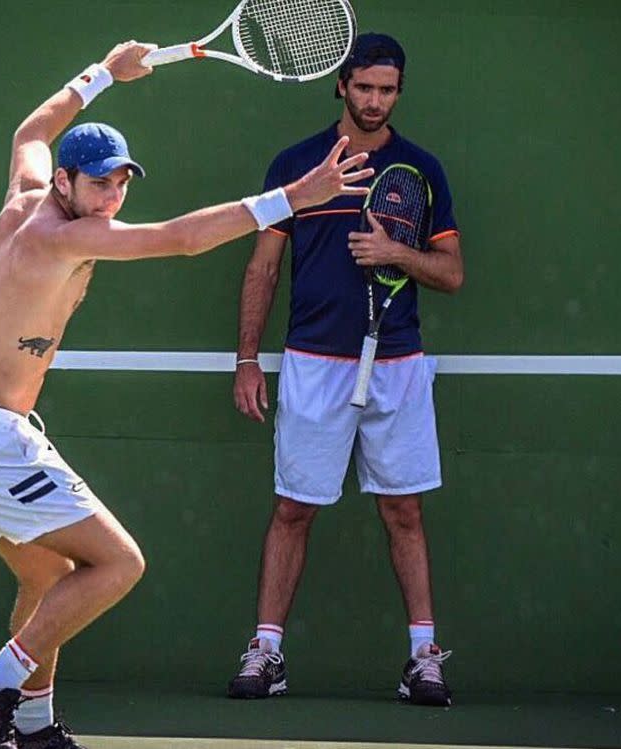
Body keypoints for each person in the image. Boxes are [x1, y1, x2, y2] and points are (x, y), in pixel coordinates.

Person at [0, 40, 373, 749]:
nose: (112, 197)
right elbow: (183, 238)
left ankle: (32, 728)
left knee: (53, 575)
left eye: (122, 182)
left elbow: (29, 131)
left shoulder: (28, 191)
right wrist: (294, 197)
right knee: (119, 563)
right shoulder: (59, 239)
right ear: (65, 183)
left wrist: (102, 73)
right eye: (99, 183)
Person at [228, 33, 463, 706]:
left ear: (398, 92)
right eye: (364, 87)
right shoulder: (297, 166)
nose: (375, 100)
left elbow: (450, 272)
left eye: (387, 90)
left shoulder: (422, 171)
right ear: (341, 84)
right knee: (292, 509)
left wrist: (397, 251)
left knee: (404, 510)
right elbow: (263, 267)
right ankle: (266, 651)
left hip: (397, 364)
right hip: (313, 364)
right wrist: (248, 357)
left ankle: (424, 655)